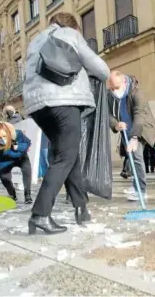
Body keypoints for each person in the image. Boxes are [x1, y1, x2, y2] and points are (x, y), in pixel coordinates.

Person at [22, 12, 110, 234]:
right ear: (73, 26)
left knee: (71, 156)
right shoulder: (69, 34)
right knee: (65, 157)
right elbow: (101, 69)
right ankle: (40, 214)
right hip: (63, 102)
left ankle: (81, 208)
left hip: (38, 107)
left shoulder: (35, 40)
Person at [107, 70, 155, 201]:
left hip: (139, 129)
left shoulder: (136, 93)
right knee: (130, 157)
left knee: (136, 158)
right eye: (111, 87)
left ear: (124, 82)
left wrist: (135, 137)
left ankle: (141, 190)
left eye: (116, 87)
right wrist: (116, 124)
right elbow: (107, 114)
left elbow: (139, 115)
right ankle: (136, 185)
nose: (113, 90)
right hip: (124, 130)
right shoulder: (109, 94)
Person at [0, 122, 33, 204]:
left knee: (27, 171)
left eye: (4, 136)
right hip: (4, 161)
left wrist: (18, 146)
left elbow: (27, 142)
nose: (2, 140)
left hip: (20, 157)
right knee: (4, 178)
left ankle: (27, 194)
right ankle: (12, 194)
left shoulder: (18, 133)